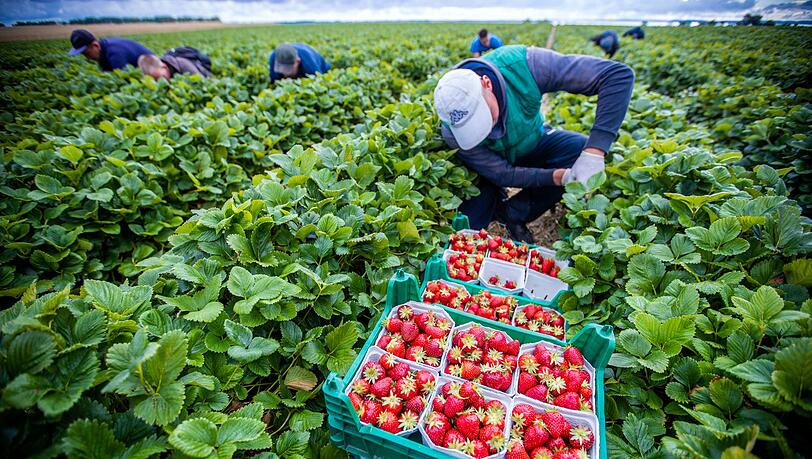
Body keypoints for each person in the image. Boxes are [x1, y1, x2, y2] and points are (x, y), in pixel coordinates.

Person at [433, 45, 634, 242]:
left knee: (578, 150)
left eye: (484, 116)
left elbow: (617, 75)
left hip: (533, 141)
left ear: (487, 83)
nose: (484, 130)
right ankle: (494, 200)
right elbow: (501, 173)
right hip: (490, 168)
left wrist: (595, 151)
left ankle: (513, 213)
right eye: (472, 128)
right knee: (469, 223)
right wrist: (557, 177)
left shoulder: (523, 65)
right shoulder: (453, 131)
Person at [68, 29, 154, 72]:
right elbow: (106, 73)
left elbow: (122, 79)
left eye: (87, 53)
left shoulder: (115, 53)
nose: (87, 58)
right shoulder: (103, 49)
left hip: (153, 70)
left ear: (95, 45)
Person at [139, 47, 213, 80]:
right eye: (155, 80)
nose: (161, 82)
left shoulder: (184, 65)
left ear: (164, 66)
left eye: (162, 77)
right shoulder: (155, 71)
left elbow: (203, 81)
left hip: (201, 68)